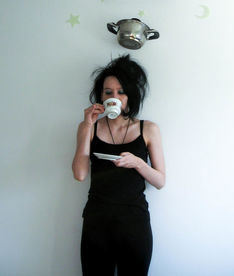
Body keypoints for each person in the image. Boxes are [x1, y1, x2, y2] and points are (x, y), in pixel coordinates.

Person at [72, 54, 165, 276]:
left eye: (121, 92)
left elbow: (160, 181)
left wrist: (138, 163)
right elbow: (80, 174)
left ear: (130, 95)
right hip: (97, 221)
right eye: (108, 92)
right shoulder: (89, 127)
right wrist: (86, 127)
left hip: (135, 223)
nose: (115, 97)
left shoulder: (148, 129)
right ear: (101, 97)